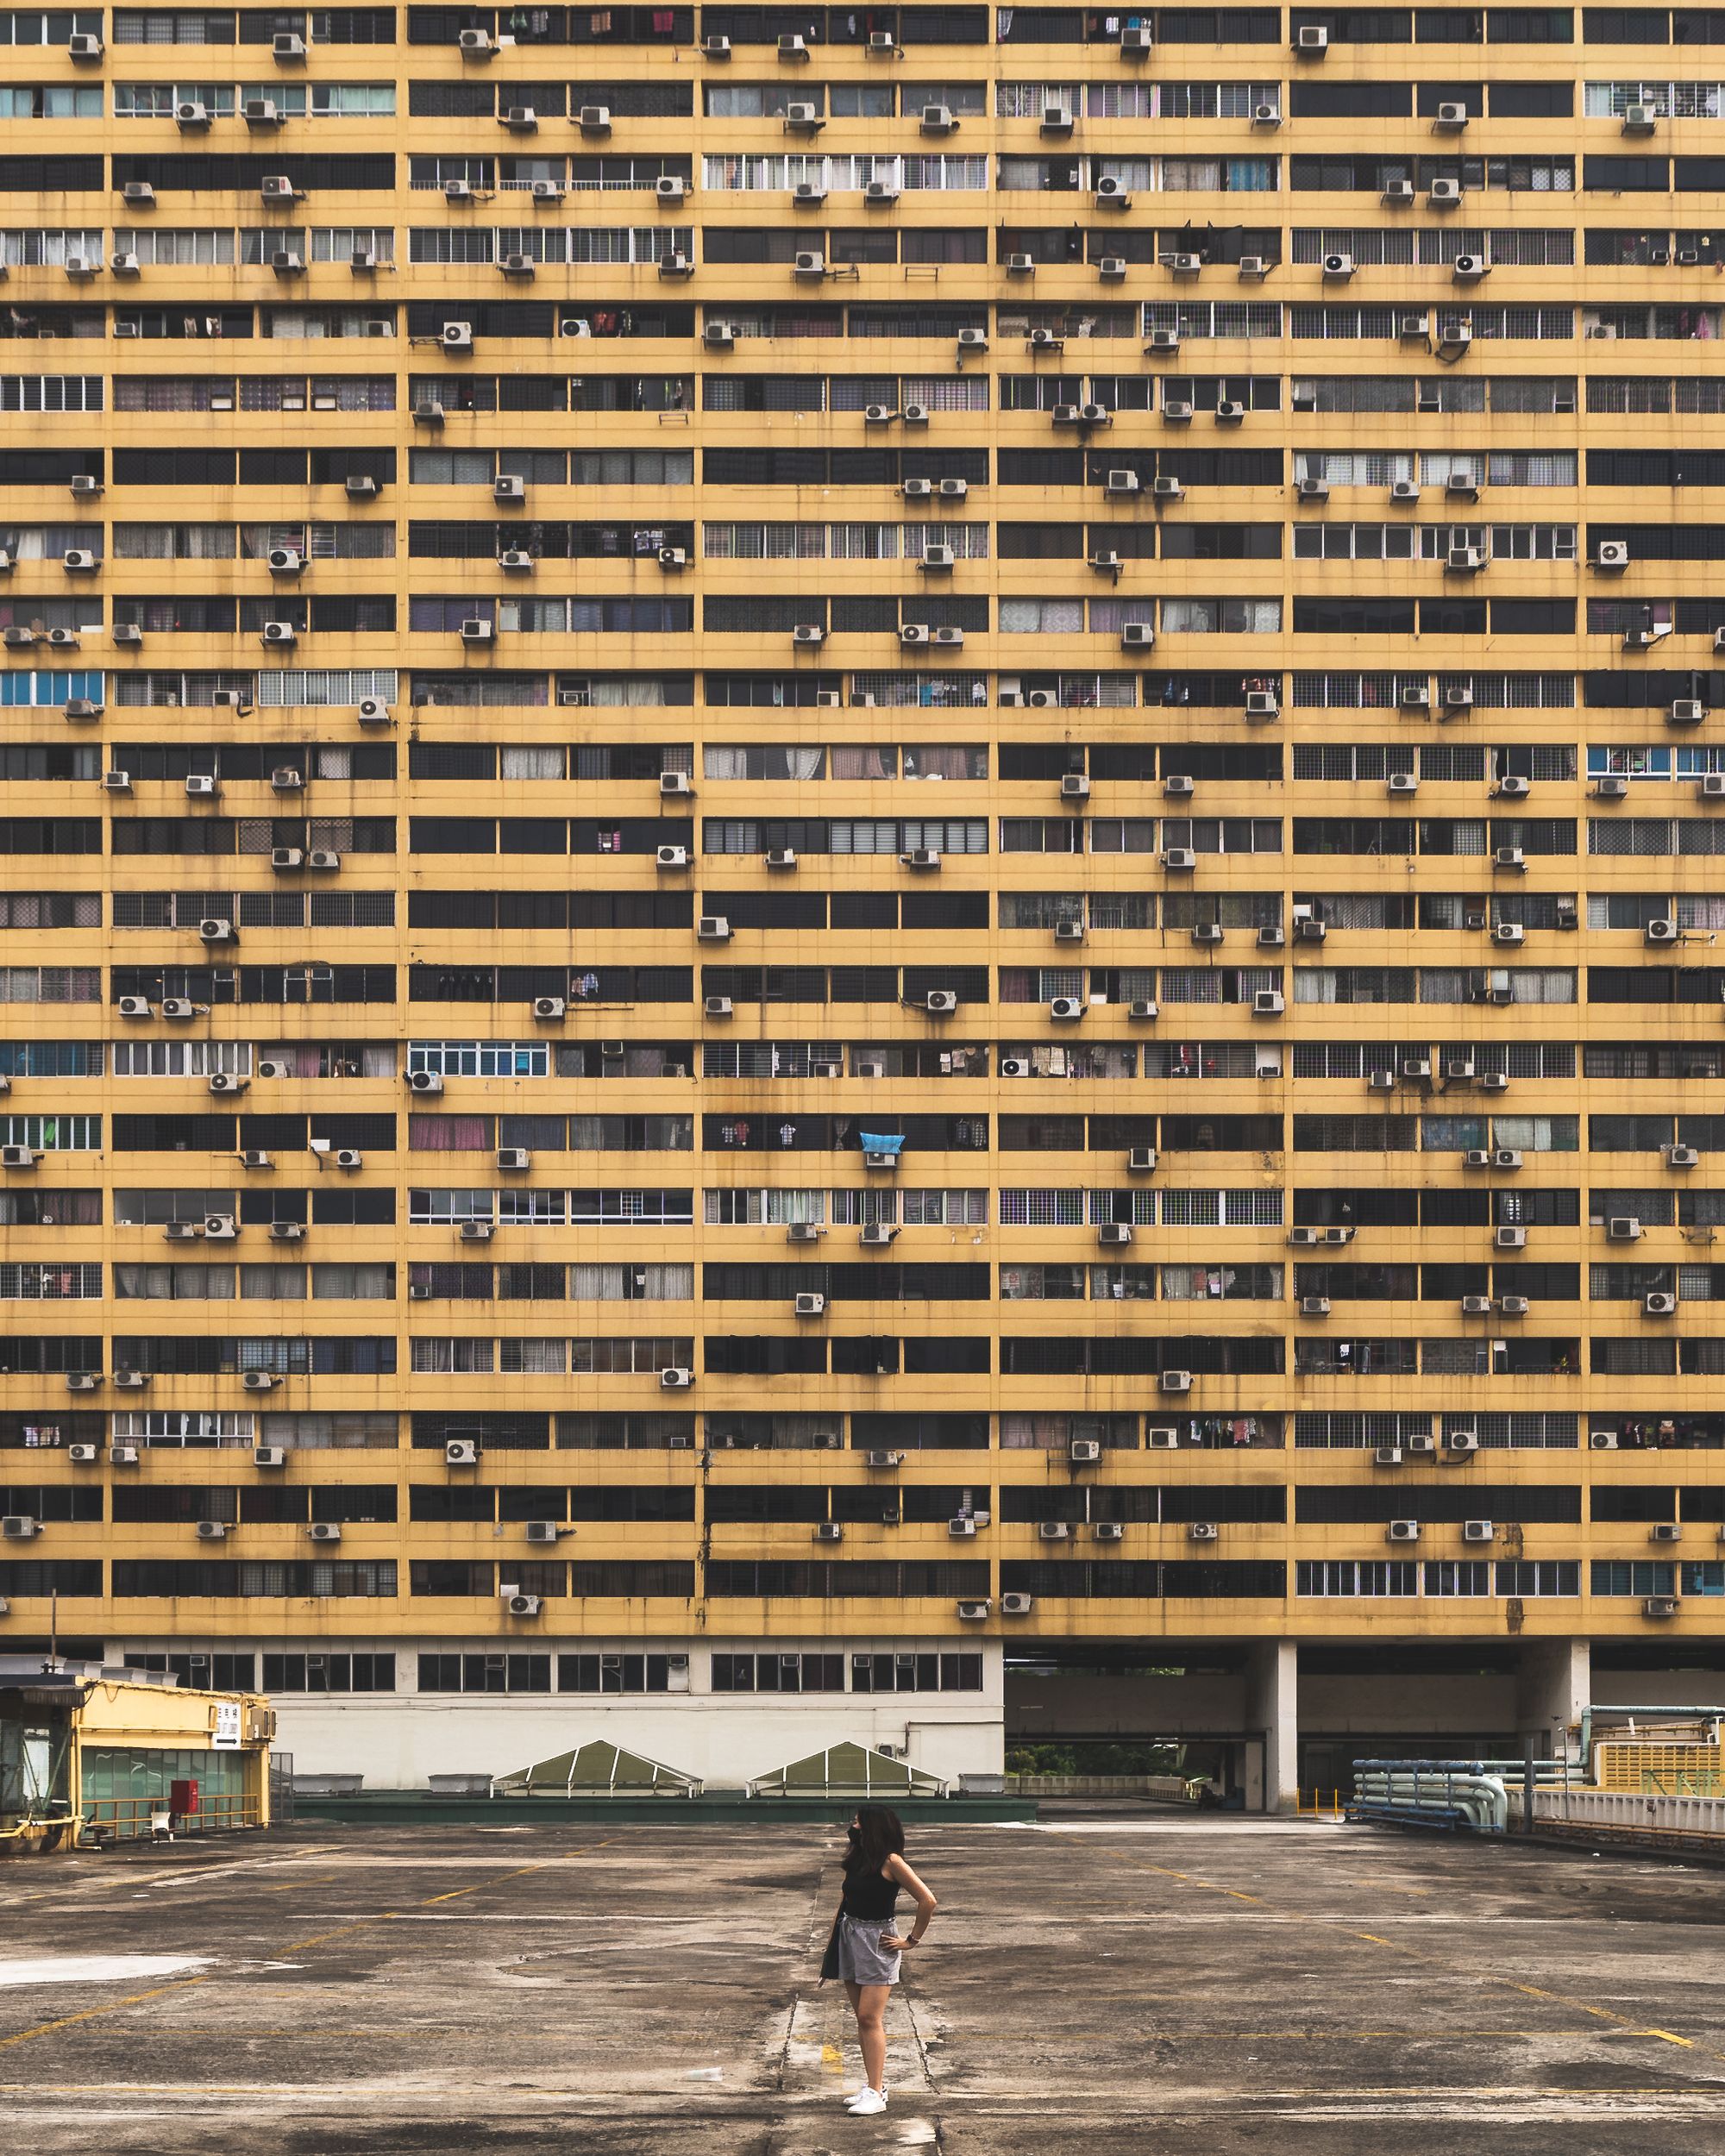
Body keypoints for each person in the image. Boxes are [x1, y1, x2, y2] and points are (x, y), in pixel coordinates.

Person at [820, 1804, 937, 2115]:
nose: (852, 1826)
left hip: (878, 1942)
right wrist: (830, 1952)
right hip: (849, 1937)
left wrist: (911, 1941)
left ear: (872, 1828)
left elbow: (927, 1900)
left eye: (857, 1823)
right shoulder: (857, 1859)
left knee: (870, 2018)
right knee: (862, 2018)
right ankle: (874, 2085)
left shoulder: (892, 1862)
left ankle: (875, 2091)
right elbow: (845, 1902)